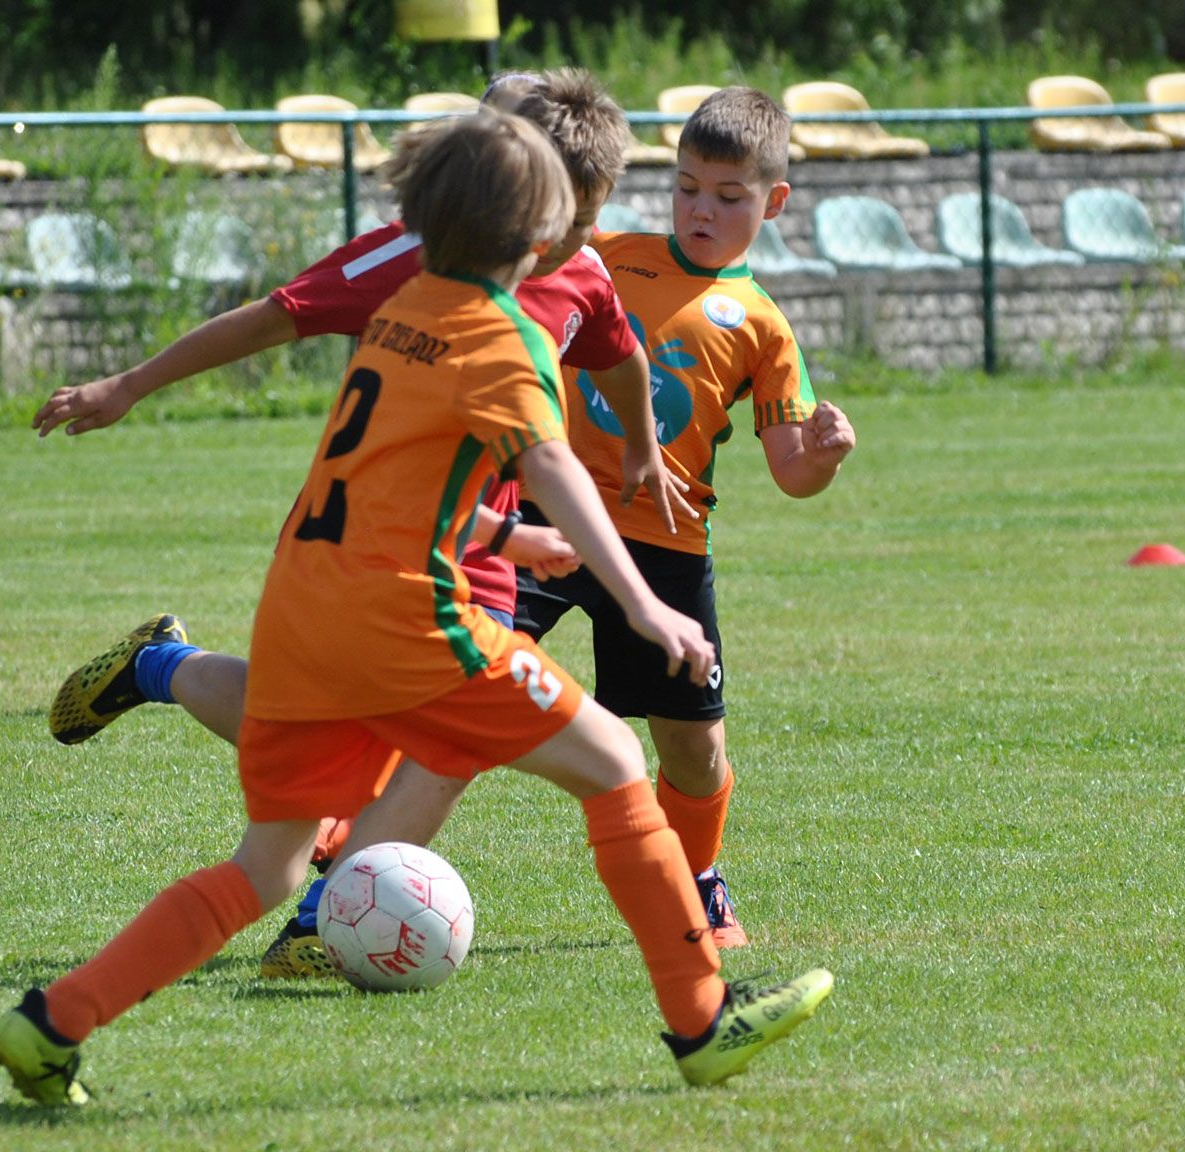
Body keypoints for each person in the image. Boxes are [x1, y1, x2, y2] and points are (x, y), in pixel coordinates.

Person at [0, 109, 833, 1106]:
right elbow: (552, 465)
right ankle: (700, 1021)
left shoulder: (404, 312)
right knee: (611, 760)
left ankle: (51, 1024)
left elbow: (395, 474)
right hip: (405, 618)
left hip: (302, 608)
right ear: (542, 229)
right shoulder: (505, 336)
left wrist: (508, 541)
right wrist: (646, 607)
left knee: (266, 867)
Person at [37, 70, 697, 978]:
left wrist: (639, 450)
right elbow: (272, 320)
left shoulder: (579, 269)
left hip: (480, 545)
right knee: (384, 726)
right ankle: (312, 899)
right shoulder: (404, 259)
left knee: (410, 735)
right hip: (368, 541)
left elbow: (617, 349)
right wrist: (128, 386)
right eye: (575, 216)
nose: (581, 236)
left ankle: (183, 704)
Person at [508, 85, 858, 950]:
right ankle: (345, 842)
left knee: (694, 749)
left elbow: (790, 475)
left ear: (773, 203)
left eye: (729, 197)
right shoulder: (608, 255)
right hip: (547, 518)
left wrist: (822, 455)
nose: (703, 209)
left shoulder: (766, 328)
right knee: (447, 672)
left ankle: (698, 882)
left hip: (665, 545)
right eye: (688, 187)